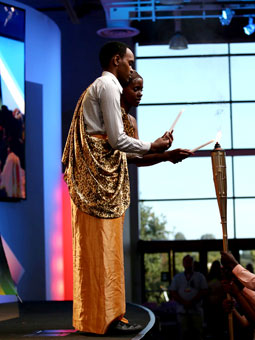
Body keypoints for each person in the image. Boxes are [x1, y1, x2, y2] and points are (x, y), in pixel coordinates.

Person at [62, 41, 174, 335]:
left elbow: (123, 149)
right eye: (130, 62)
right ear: (116, 61)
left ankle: (98, 316)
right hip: (100, 182)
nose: (132, 69)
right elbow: (117, 141)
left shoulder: (98, 88)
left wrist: (162, 153)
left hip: (99, 180)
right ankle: (106, 318)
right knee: (103, 249)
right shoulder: (109, 86)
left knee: (100, 250)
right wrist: (155, 145)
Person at [121, 71, 193, 166]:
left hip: (122, 178)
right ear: (121, 90)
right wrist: (164, 154)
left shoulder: (132, 121)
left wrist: (160, 149)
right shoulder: (114, 117)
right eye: (136, 89)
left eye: (141, 90)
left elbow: (138, 158)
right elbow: (125, 156)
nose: (140, 94)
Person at [169, 255, 208, 340]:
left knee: (198, 333)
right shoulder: (177, 277)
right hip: (182, 311)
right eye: (186, 262)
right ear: (183, 263)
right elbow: (173, 292)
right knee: (183, 334)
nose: (188, 264)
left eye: (190, 262)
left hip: (196, 311)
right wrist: (184, 302)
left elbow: (204, 291)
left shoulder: (200, 277)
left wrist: (192, 302)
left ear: (193, 263)